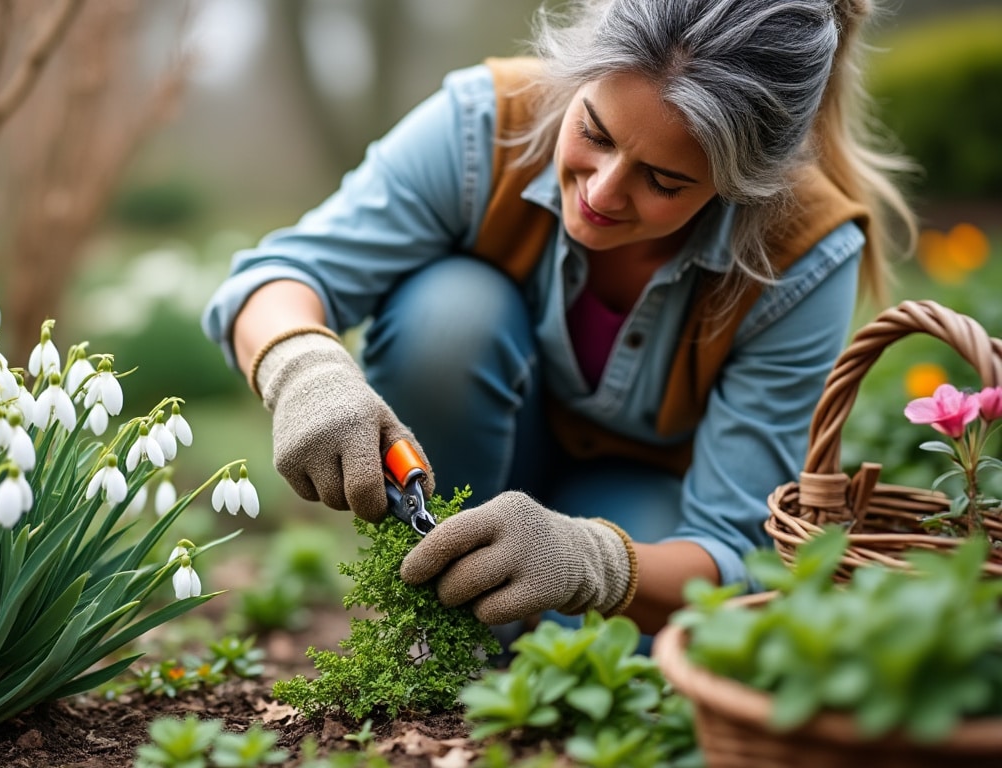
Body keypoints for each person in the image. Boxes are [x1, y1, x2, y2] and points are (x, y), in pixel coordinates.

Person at [202, 0, 915, 638]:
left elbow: (742, 554)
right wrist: (306, 370)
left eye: (665, 180)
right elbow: (277, 278)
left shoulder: (802, 251)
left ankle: (502, 628)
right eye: (595, 132)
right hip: (469, 463)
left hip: (636, 516)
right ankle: (442, 619)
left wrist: (594, 563)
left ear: (743, 186)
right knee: (448, 313)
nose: (603, 192)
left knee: (658, 625)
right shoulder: (489, 126)